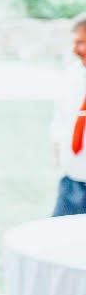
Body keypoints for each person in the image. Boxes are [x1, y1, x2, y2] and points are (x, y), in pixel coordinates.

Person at [51, 16, 86, 216]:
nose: (76, 49)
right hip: (72, 185)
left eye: (82, 42)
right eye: (75, 43)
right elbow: (61, 118)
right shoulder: (73, 75)